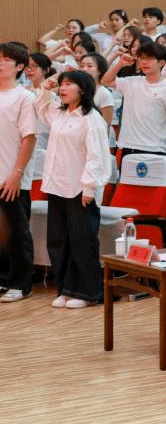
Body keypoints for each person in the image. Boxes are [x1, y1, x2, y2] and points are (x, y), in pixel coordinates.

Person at [36, 70, 112, 309]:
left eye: (68, 84)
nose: (63, 88)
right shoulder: (60, 113)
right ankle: (66, 289)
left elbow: (97, 156)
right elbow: (41, 108)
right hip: (57, 185)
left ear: (83, 89)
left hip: (80, 189)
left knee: (82, 241)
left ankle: (89, 293)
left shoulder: (91, 119)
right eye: (61, 84)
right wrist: (46, 87)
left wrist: (89, 187)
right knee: (59, 241)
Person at [104, 40, 166, 160]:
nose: (144, 62)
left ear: (161, 62)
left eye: (150, 58)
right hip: (129, 146)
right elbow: (105, 81)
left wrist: (164, 134)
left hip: (156, 149)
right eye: (142, 58)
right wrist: (120, 64)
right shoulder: (131, 82)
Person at [0, 43, 37, 302]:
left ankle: (21, 283)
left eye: (6, 60)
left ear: (20, 66)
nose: (0, 63)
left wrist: (17, 172)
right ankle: (2, 279)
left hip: (12, 177)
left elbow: (29, 137)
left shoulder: (25, 97)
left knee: (16, 232)